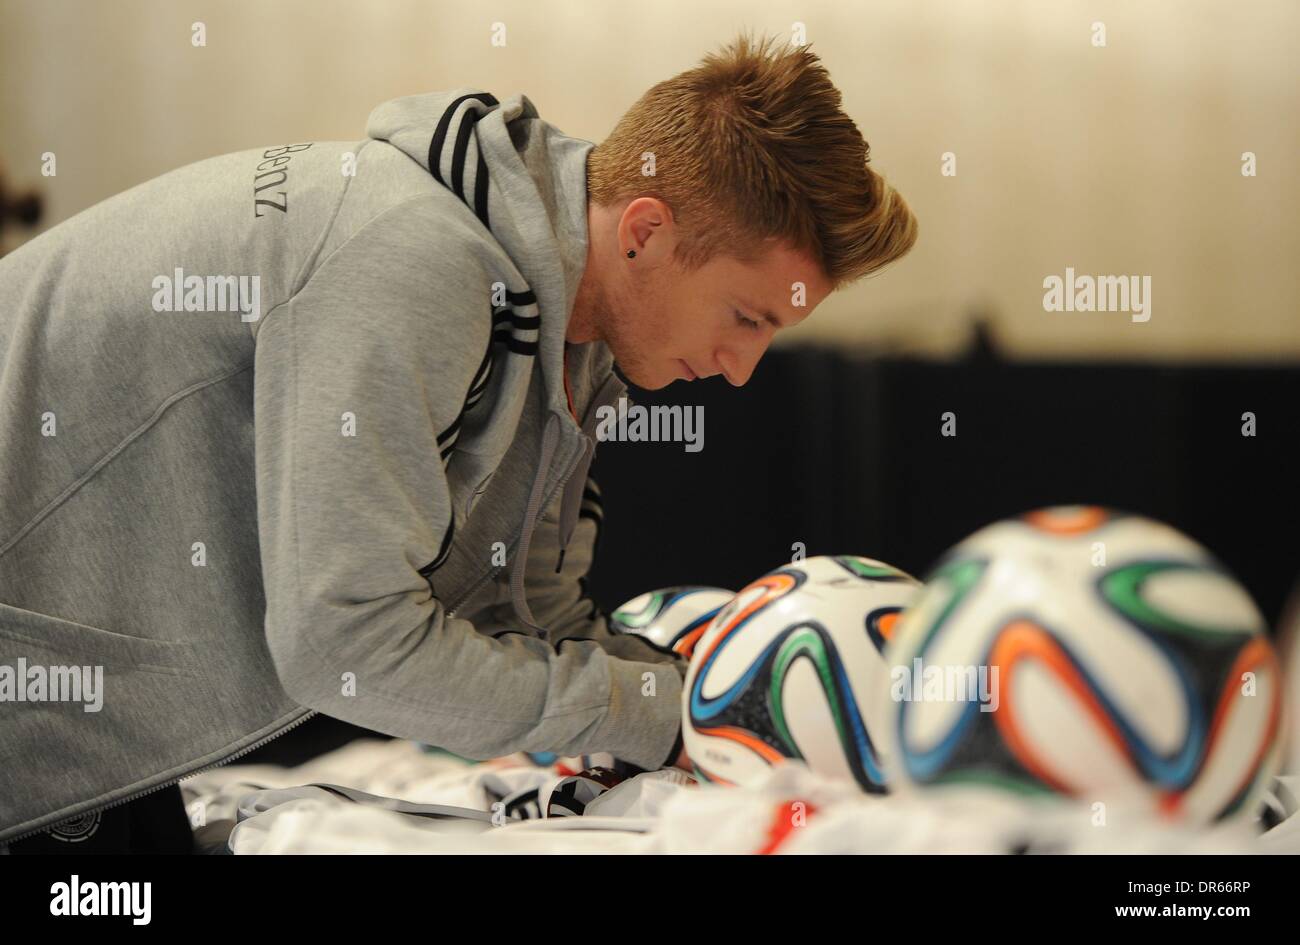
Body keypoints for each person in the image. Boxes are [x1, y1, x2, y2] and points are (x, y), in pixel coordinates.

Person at [0, 32, 916, 848]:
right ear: (646, 232)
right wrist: (666, 710)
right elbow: (344, 649)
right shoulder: (414, 259)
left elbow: (526, 615)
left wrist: (720, 703)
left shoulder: (575, 343)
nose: (744, 367)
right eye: (746, 316)